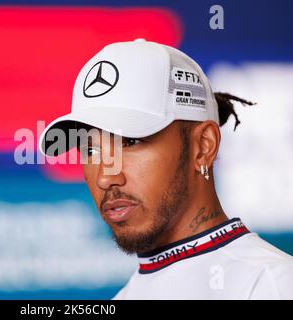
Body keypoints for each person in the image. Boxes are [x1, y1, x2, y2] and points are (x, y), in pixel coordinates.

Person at [38, 39, 293, 299]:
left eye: (131, 141)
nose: (105, 176)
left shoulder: (273, 286)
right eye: (90, 150)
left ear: (203, 146)